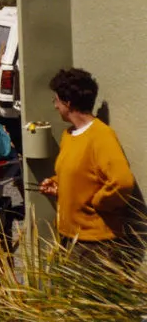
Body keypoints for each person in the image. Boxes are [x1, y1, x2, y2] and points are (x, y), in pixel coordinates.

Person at [39, 69, 135, 259]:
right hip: (69, 238)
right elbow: (82, 174)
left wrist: (98, 203)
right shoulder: (69, 136)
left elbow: (122, 182)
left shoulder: (101, 136)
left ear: (68, 102)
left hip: (95, 244)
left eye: (56, 100)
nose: (55, 105)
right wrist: (58, 184)